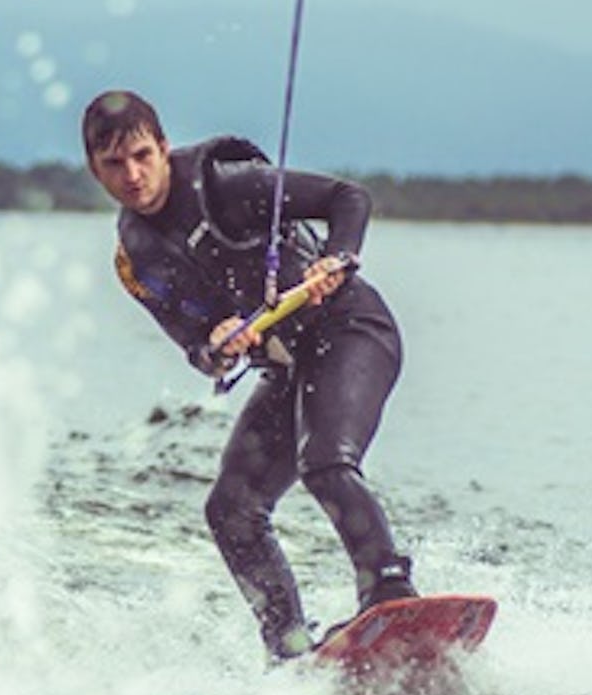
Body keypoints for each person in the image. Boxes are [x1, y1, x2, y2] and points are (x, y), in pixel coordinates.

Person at [81, 89, 418, 661]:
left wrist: (339, 257)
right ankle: (288, 647)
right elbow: (196, 348)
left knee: (326, 463)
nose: (133, 175)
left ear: (163, 148)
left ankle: (390, 590)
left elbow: (348, 198)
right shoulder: (134, 260)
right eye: (114, 164)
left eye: (142, 155)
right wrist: (217, 347)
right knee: (230, 509)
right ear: (94, 169)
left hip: (351, 331)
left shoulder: (226, 186)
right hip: (288, 370)